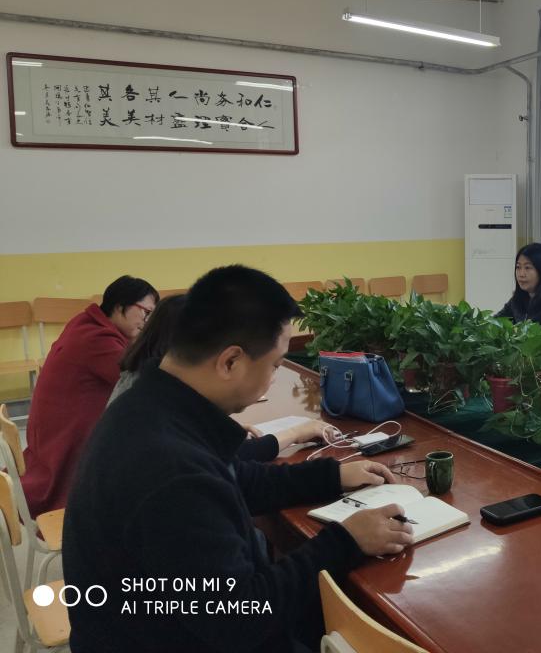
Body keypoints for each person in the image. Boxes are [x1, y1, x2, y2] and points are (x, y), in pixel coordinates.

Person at [63, 265, 413, 653]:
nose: (273, 378)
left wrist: (332, 475)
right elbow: (243, 617)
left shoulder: (151, 406)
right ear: (230, 362)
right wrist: (345, 540)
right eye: (275, 365)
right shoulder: (170, 469)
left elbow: (232, 479)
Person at [109, 294, 330, 462]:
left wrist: (218, 429)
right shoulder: (155, 398)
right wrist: (295, 433)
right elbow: (234, 457)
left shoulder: (144, 376)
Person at [22, 275, 158, 516]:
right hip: (68, 437)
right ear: (120, 307)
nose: (147, 322)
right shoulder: (97, 339)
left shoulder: (86, 323)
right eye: (145, 313)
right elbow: (142, 381)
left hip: (50, 430)